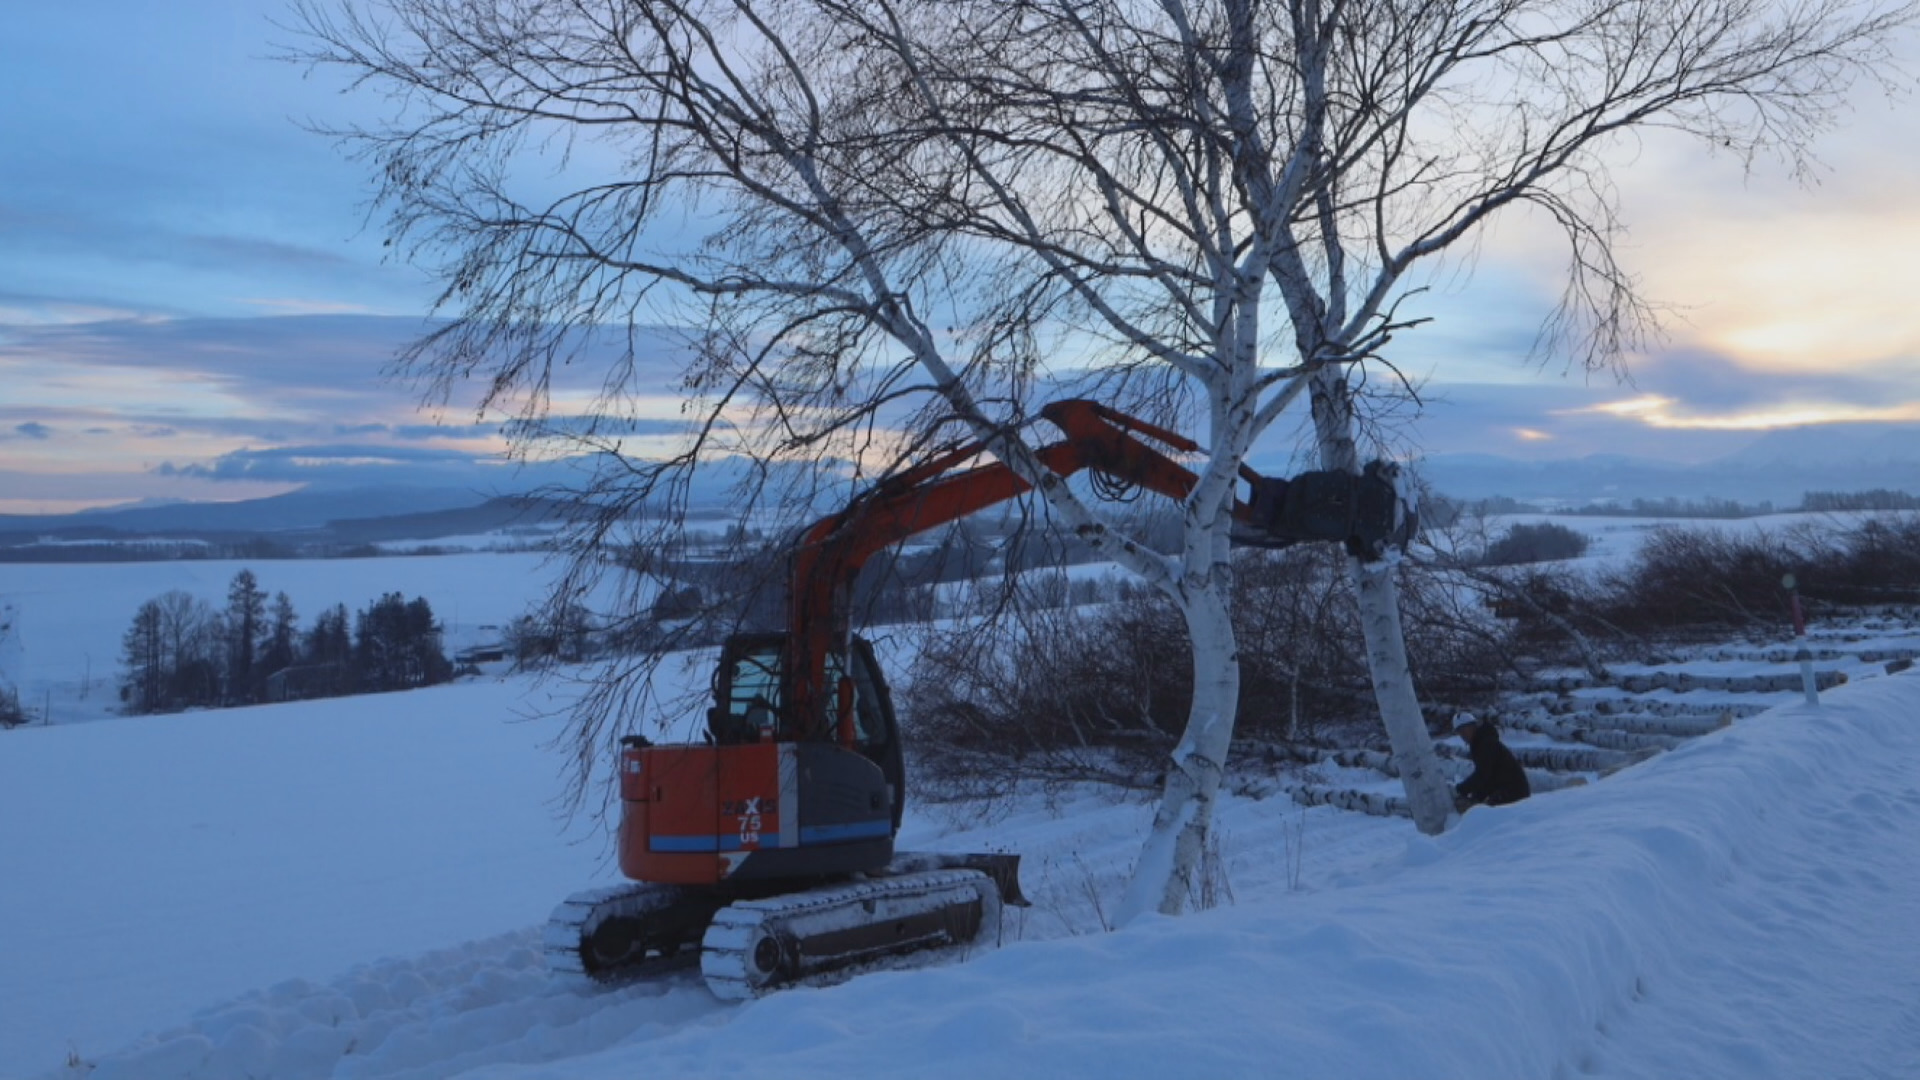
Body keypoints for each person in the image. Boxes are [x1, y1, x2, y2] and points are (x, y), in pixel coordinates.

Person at [1452, 712, 1530, 810]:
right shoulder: (1480, 742)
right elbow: (1488, 778)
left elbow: (1483, 773)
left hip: (1513, 792)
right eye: (1459, 732)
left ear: (1473, 726)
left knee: (1484, 814)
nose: (1462, 735)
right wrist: (1476, 796)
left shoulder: (1486, 743)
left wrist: (1461, 789)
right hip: (1507, 790)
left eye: (1464, 730)